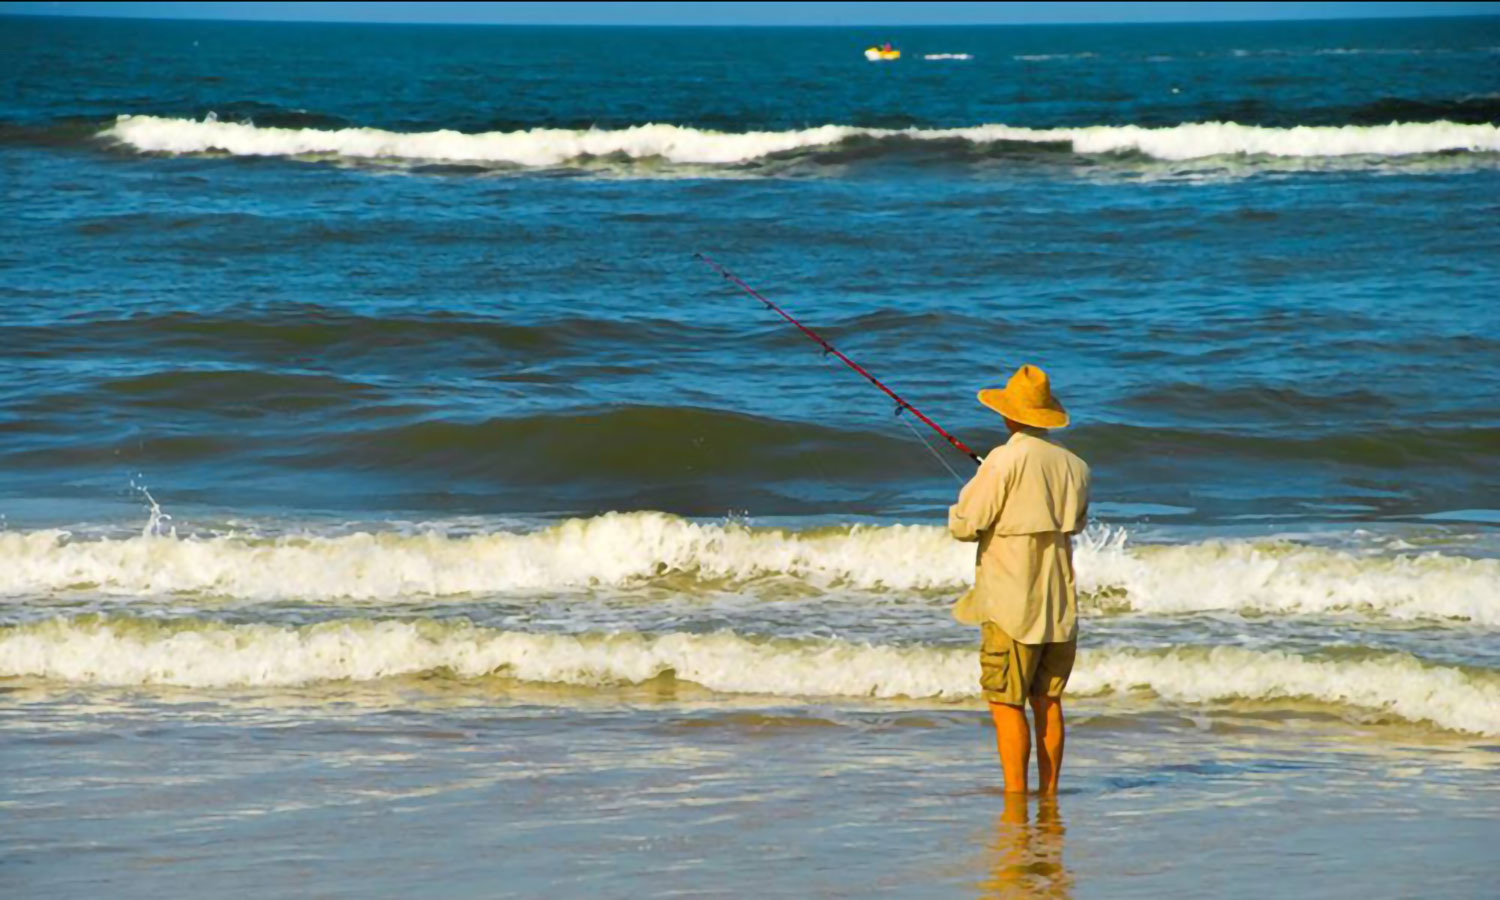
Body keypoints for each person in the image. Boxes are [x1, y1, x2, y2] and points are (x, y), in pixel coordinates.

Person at [948, 364, 1090, 794]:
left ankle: (1014, 800)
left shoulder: (1002, 460)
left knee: (1005, 702)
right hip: (1059, 605)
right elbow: (1078, 524)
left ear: (1010, 415)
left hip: (1011, 603)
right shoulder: (1077, 467)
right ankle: (1048, 799)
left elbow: (965, 524)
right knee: (1048, 702)